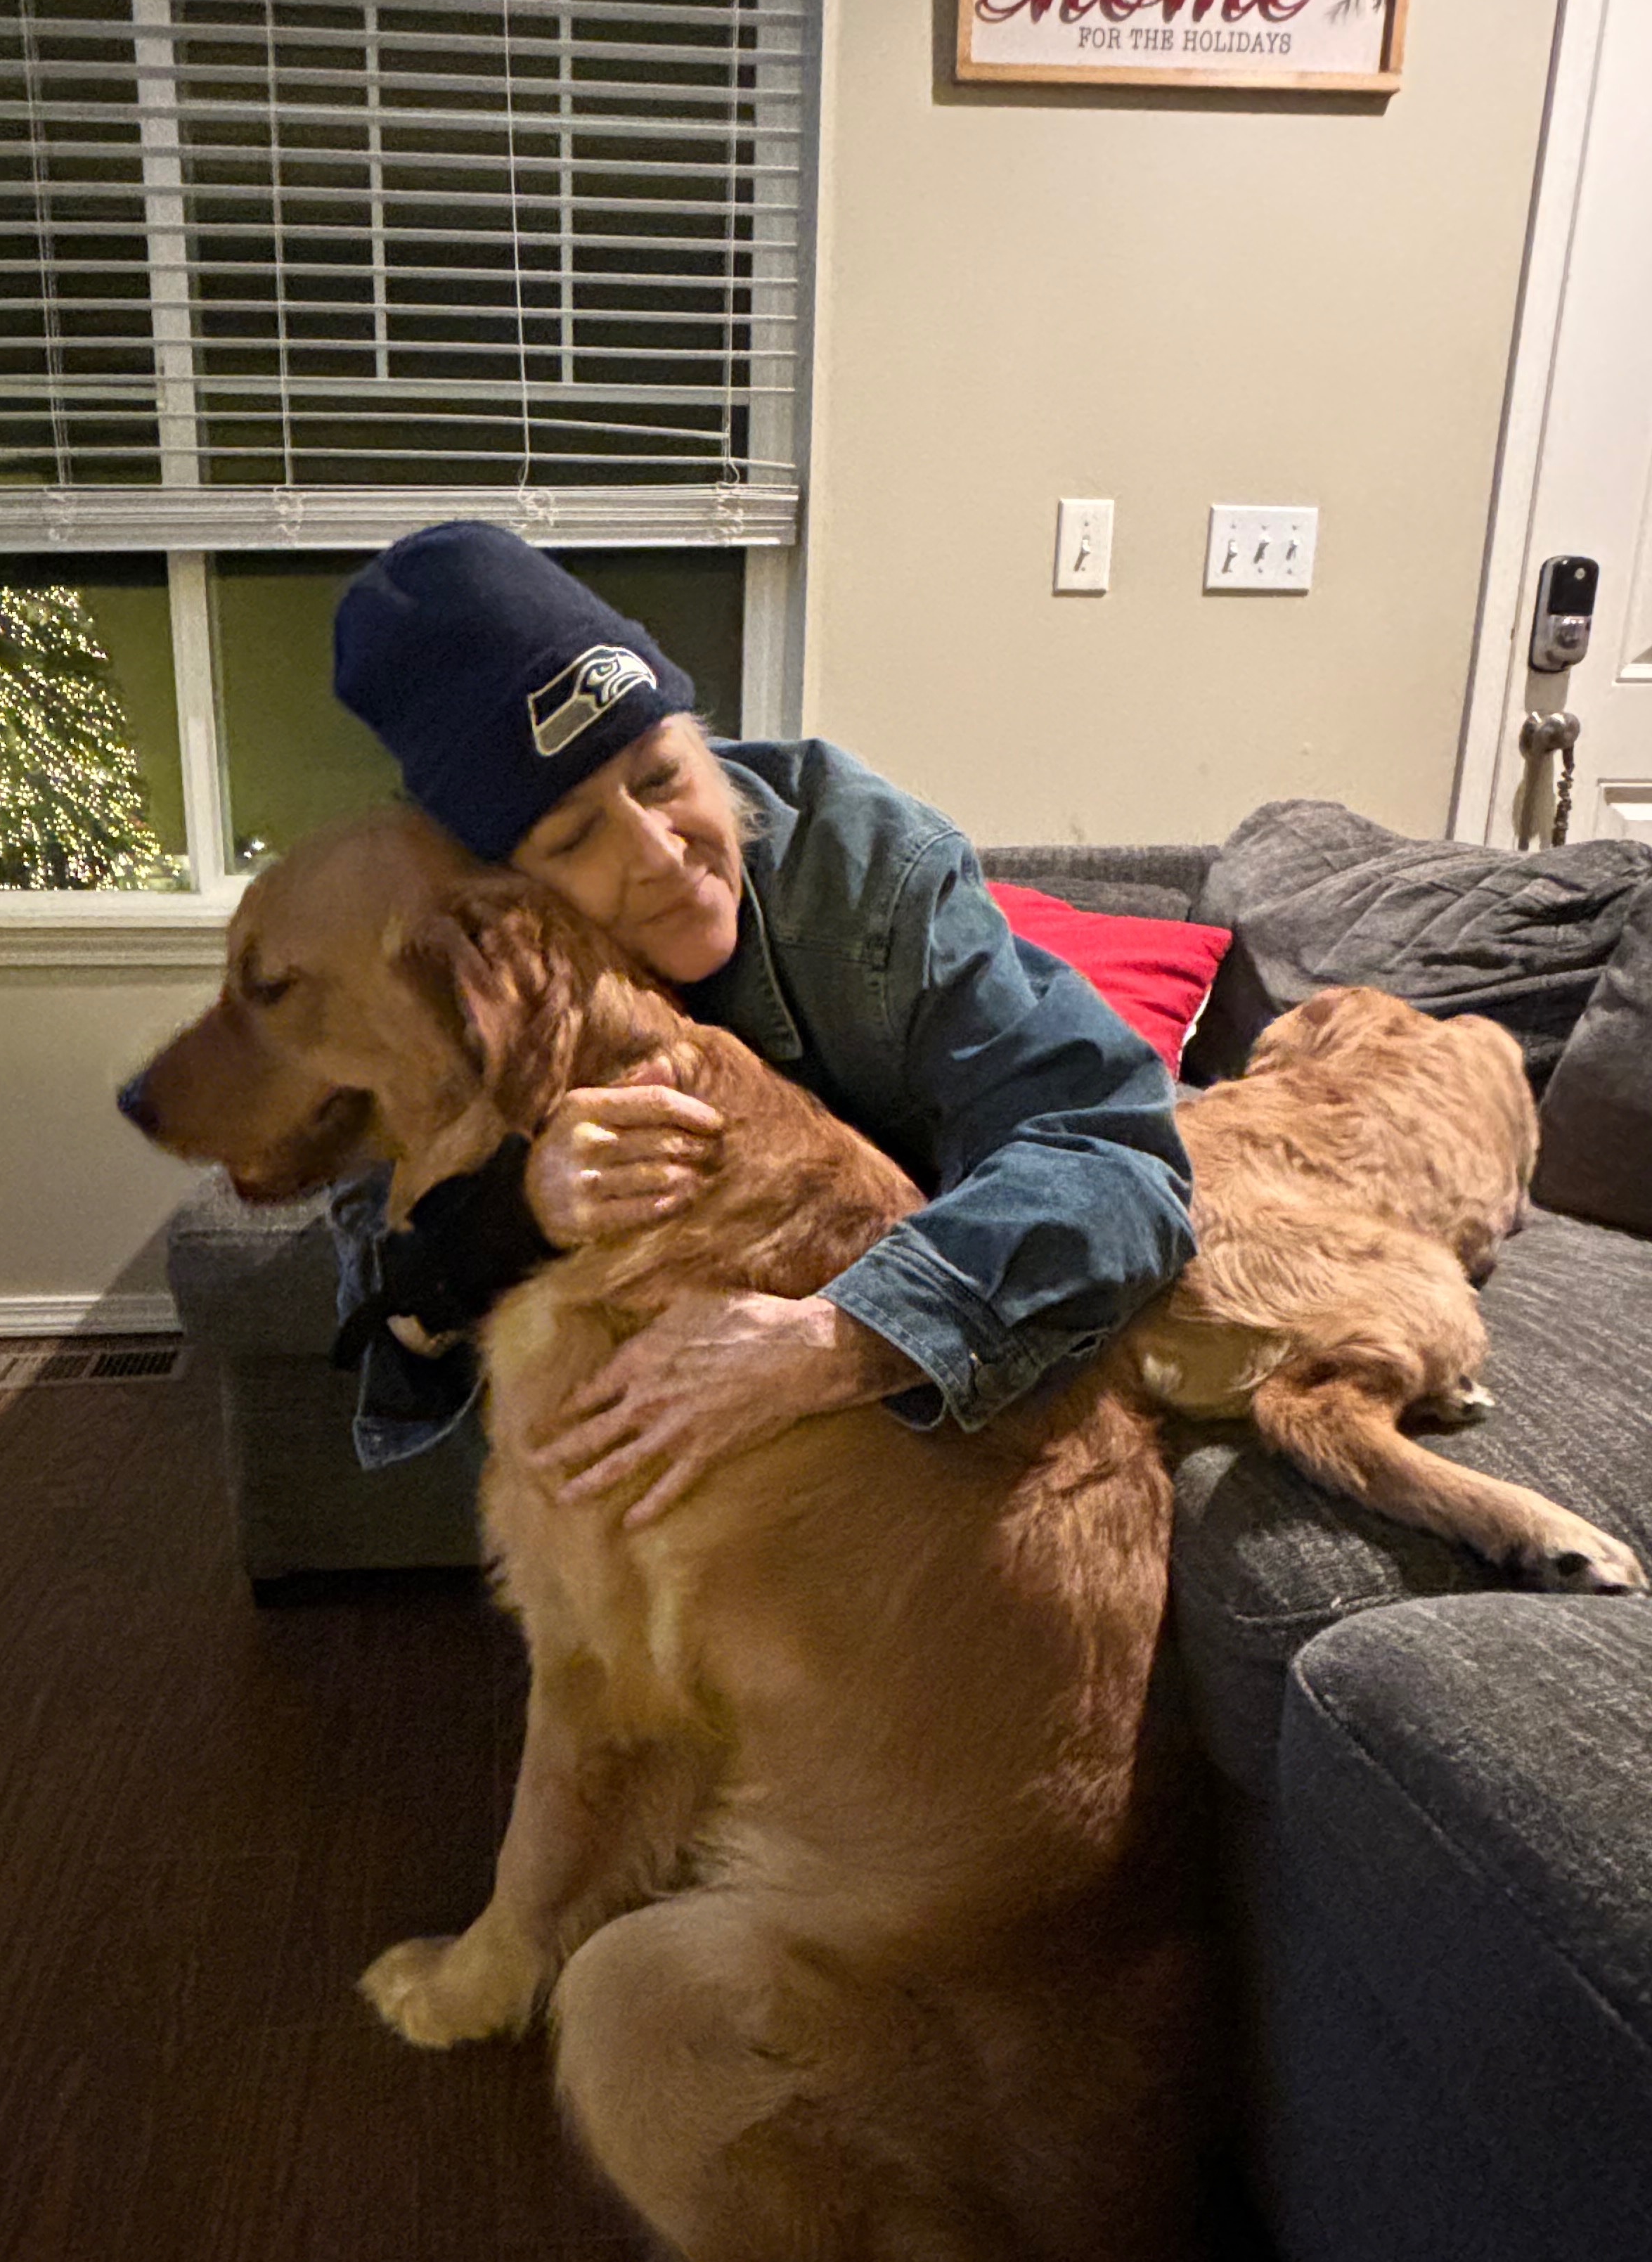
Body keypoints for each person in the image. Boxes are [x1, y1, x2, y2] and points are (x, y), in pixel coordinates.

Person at [325, 520, 1196, 1525]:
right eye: (575, 838)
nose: (661, 855)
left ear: (701, 736)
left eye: (661, 776)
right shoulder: (446, 976)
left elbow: (1117, 1151)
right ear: (508, 896)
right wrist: (516, 1212)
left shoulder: (870, 871)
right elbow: (391, 1304)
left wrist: (845, 1336)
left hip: (923, 1429)